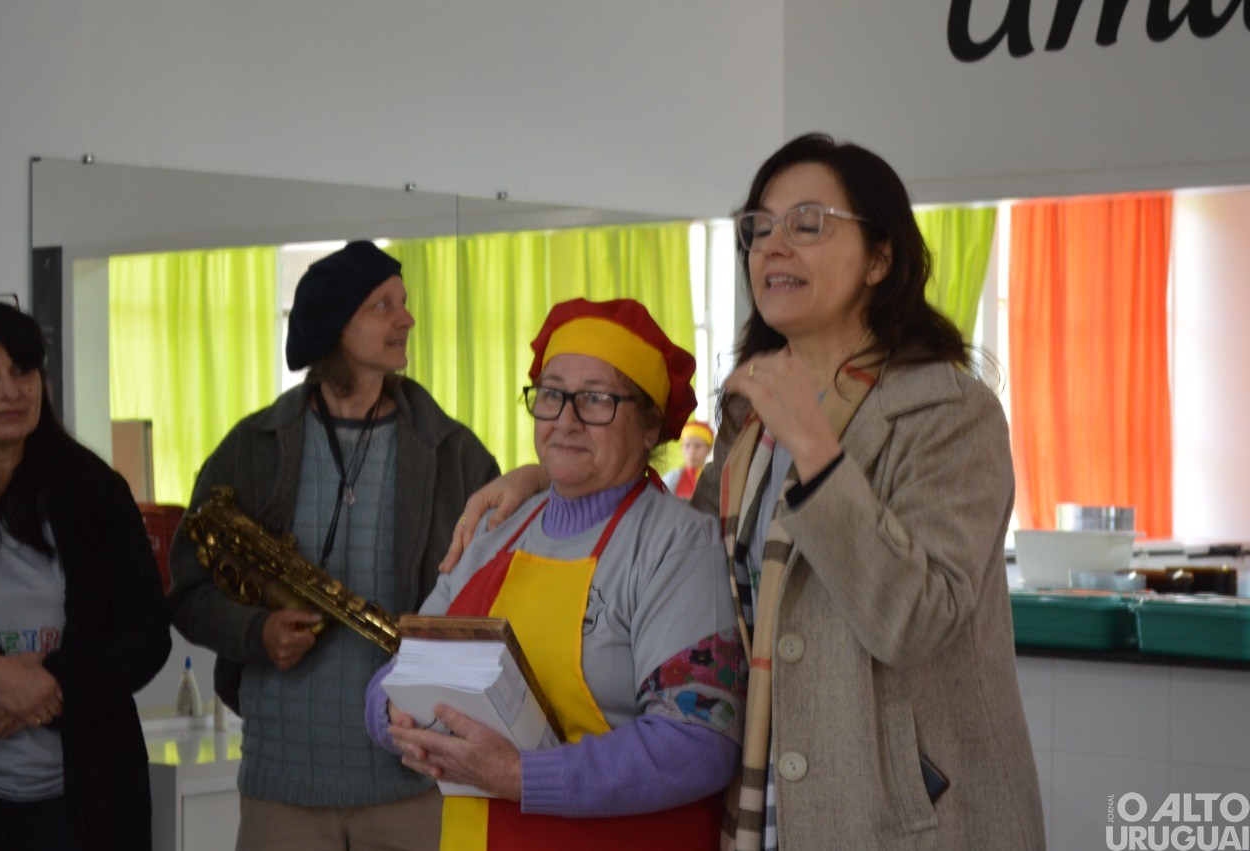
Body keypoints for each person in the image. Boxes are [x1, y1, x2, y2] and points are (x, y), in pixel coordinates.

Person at [440, 134, 1046, 850]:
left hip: (907, 816)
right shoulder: (751, 418)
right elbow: (696, 568)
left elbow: (916, 618)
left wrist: (817, 451)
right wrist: (553, 474)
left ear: (881, 258)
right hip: (771, 806)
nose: (773, 246)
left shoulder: (948, 412)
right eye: (759, 227)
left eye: (808, 223)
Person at [366, 297, 745, 850]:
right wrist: (393, 715)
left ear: (649, 429)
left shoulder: (676, 545)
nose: (565, 420)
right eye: (551, 395)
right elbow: (402, 664)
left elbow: (699, 741)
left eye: (595, 400)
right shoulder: (494, 529)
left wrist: (519, 776)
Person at [167, 241, 500, 851]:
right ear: (334, 325)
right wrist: (254, 634)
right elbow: (188, 589)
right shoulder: (252, 447)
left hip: (418, 784)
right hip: (281, 790)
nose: (407, 319)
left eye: (404, 303)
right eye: (383, 305)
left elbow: (495, 602)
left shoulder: (454, 455)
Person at [0, 297, 172, 851]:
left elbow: (145, 631)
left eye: (24, 371)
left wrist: (51, 684)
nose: (12, 391)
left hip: (87, 800)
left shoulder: (95, 491)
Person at [661, 418, 713, 499]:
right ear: (681, 447)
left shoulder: (714, 479)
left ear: (709, 449)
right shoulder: (672, 478)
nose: (691, 451)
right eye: (687, 445)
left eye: (698, 446)